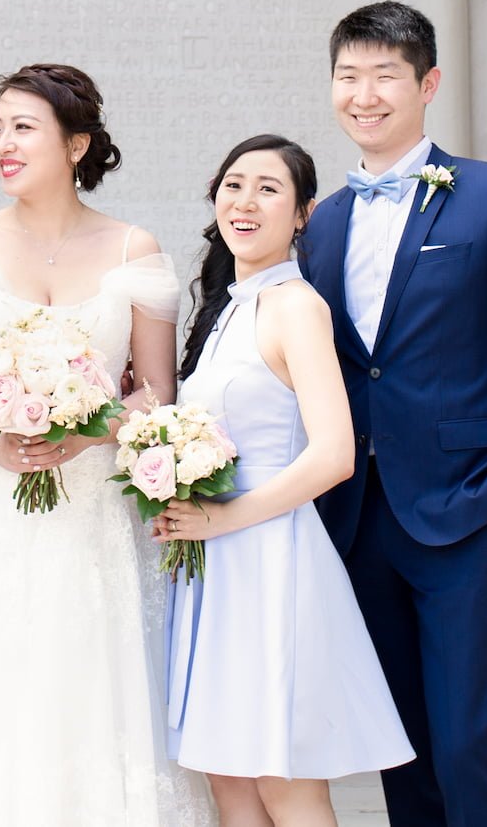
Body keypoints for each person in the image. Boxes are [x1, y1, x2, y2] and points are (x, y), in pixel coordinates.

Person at [0, 64, 211, 827]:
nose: (2, 143)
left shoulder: (133, 246)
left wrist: (91, 421)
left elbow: (156, 388)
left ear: (78, 142)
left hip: (95, 510)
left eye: (22, 127)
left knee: (92, 684)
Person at [296, 2, 487, 827]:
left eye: (385, 74)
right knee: (402, 750)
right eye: (349, 75)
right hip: (357, 517)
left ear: (428, 84)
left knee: (469, 742)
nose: (364, 93)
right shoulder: (325, 222)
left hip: (466, 514)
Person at [157, 136, 413, 823]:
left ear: (302, 213)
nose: (245, 200)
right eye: (234, 183)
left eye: (269, 188)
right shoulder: (228, 306)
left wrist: (223, 518)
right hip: (212, 566)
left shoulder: (297, 306)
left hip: (268, 562)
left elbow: (334, 453)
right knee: (230, 777)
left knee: (280, 777)